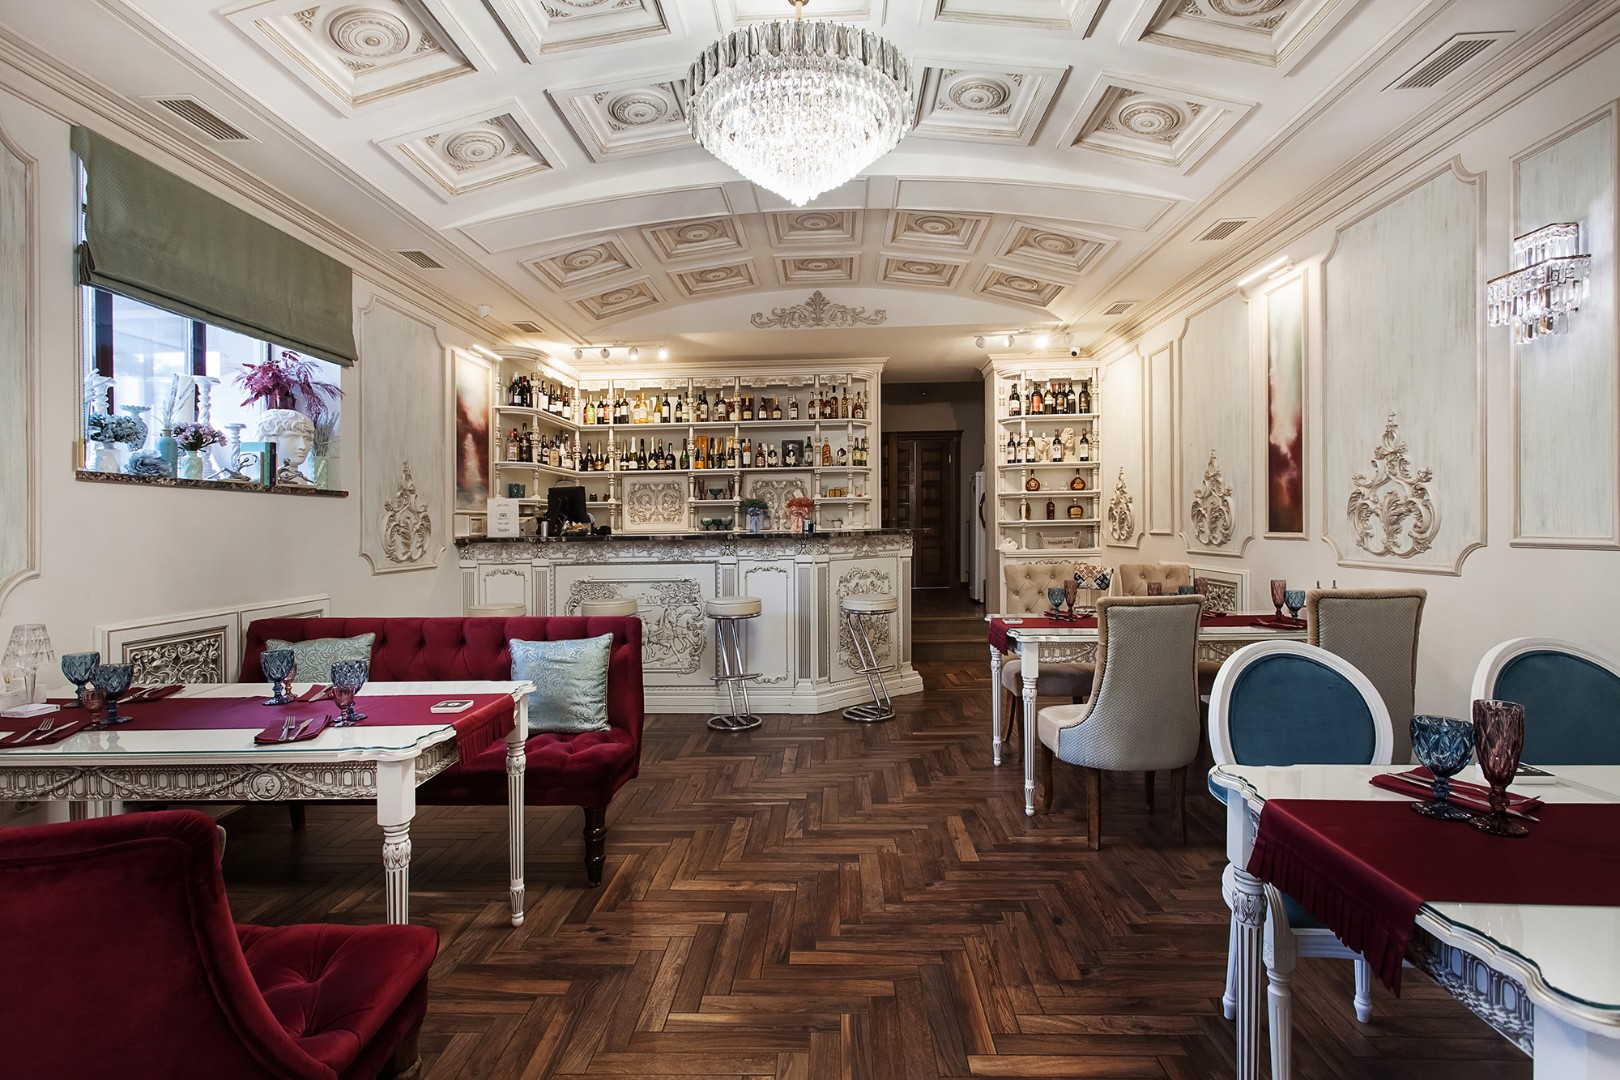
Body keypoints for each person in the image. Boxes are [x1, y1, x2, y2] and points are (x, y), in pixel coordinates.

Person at [256, 408, 315, 486]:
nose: (303, 446)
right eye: (293, 438)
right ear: (270, 439)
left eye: (306, 439)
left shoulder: (302, 480)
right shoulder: (260, 479)